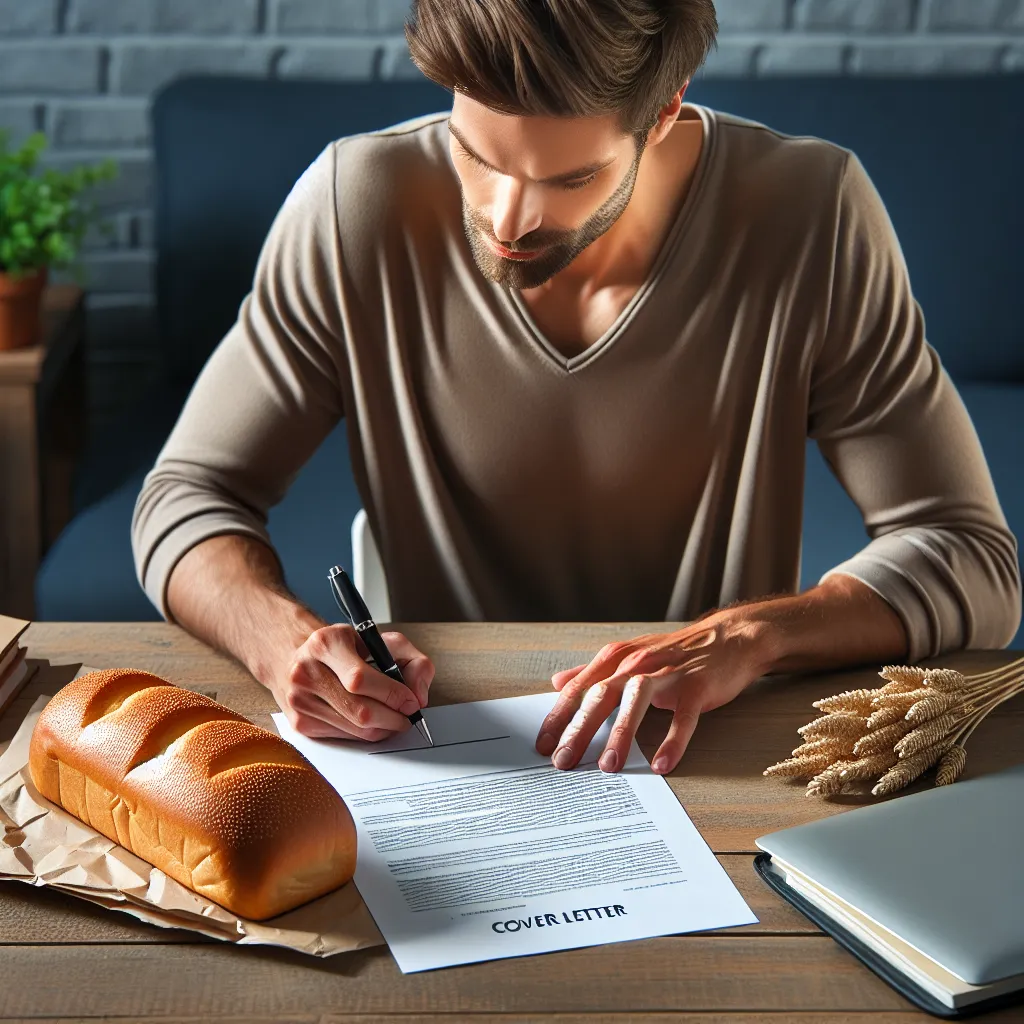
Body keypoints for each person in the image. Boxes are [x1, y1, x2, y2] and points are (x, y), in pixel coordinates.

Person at [132, 0, 1020, 777]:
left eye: (570, 178)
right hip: (444, 754)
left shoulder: (810, 212)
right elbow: (186, 496)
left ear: (663, 113)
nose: (509, 218)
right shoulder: (351, 206)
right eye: (476, 156)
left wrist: (751, 637)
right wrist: (282, 639)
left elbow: (970, 554)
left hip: (708, 752)